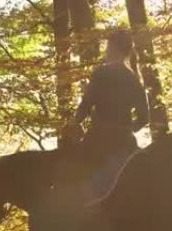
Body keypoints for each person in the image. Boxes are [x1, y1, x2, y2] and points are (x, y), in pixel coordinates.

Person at [64, 29, 150, 199]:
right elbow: (144, 118)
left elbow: (87, 104)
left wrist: (74, 124)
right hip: (124, 143)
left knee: (71, 179)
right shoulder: (133, 78)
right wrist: (126, 129)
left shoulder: (101, 73)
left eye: (107, 46)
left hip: (97, 139)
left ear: (112, 48)